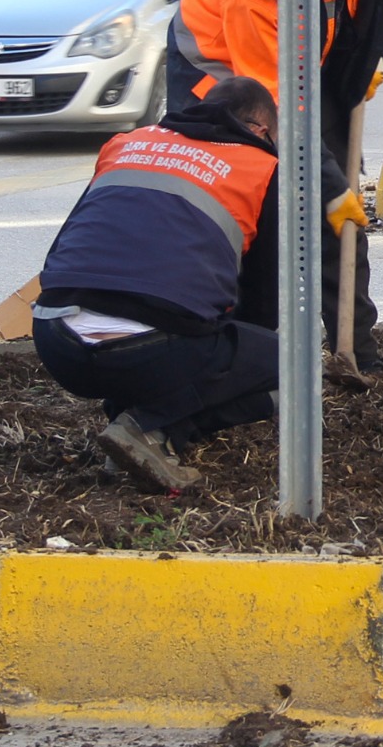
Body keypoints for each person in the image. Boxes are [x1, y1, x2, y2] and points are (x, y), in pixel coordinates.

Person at [166, 0, 383, 365]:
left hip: (296, 74)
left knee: (341, 220)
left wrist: (359, 66)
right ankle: (245, 352)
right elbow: (278, 109)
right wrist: (329, 188)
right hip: (221, 81)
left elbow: (370, 9)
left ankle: (358, 350)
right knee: (261, 209)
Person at [32, 76, 284, 493]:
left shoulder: (125, 144)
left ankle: (129, 431)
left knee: (156, 325)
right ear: (260, 130)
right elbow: (263, 301)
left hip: (56, 340)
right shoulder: (261, 167)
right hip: (151, 352)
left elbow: (68, 245)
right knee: (291, 366)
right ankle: (150, 429)